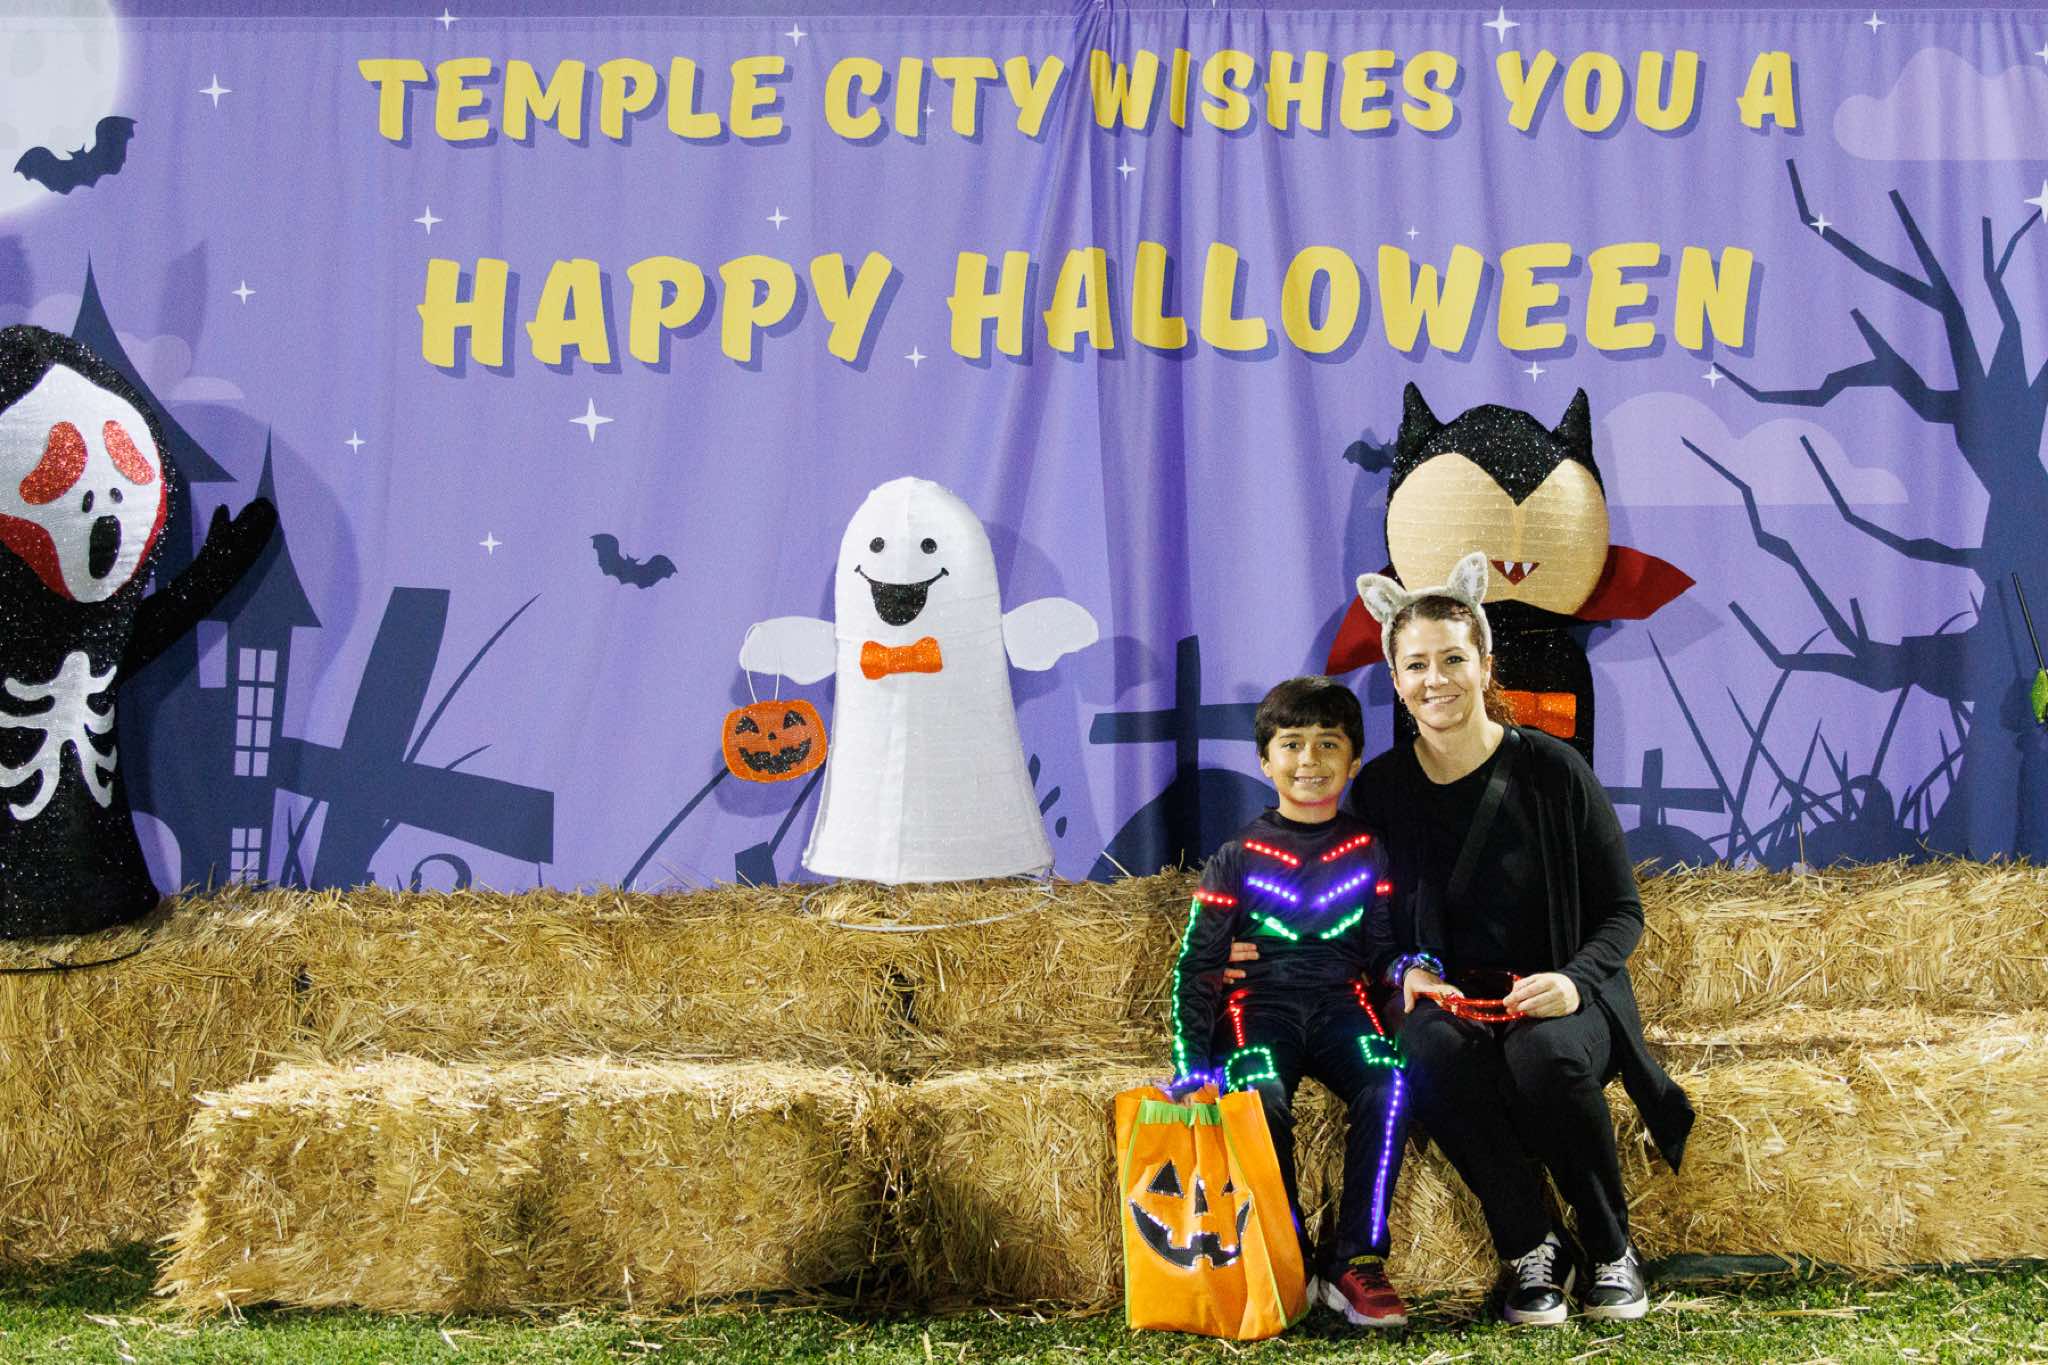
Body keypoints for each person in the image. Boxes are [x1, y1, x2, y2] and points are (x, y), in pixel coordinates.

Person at [1348, 550, 1694, 1324]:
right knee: (1423, 1048)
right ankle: (1532, 1244)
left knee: (1545, 1053)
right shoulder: (1380, 790)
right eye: (1416, 664)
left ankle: (1610, 1246)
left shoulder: (1553, 770)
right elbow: (1368, 922)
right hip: (1457, 1000)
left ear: (1485, 663)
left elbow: (1621, 910)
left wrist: (1574, 981)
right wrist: (1402, 970)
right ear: (1395, 679)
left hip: (1559, 993)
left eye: (1452, 658)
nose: (1435, 679)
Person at [1168, 675, 1411, 1329]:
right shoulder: (1236, 856)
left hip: (1341, 1006)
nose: (1310, 759)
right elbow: (1197, 967)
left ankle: (1357, 1259)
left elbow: (1381, 950)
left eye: (1328, 743)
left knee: (1387, 1083)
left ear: (1353, 762)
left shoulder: (1368, 850)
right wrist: (1189, 1070)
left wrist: (1411, 970)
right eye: (1292, 743)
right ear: (1265, 761)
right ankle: (1287, 1253)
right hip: (1256, 1011)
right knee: (1260, 1092)